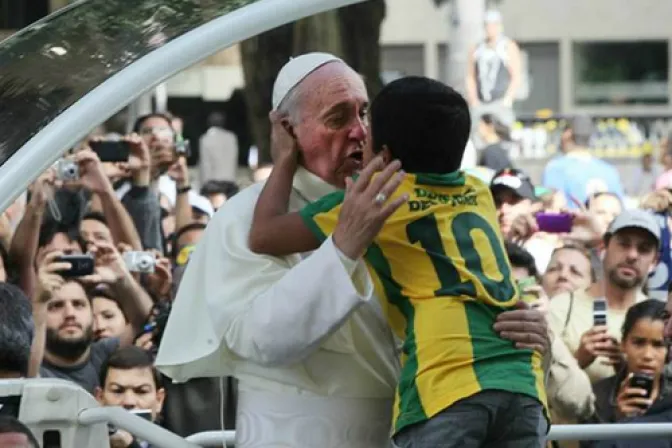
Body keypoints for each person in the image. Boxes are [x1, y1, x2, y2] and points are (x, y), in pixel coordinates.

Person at [155, 53, 550, 448]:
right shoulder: (244, 216)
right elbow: (261, 339)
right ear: (289, 132)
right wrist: (342, 246)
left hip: (419, 421)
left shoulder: (412, 198)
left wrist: (528, 335)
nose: (360, 132)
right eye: (338, 118)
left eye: (365, 114)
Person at [542, 115, 624, 207]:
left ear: (567, 134)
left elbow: (551, 207)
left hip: (574, 221)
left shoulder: (555, 168)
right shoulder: (610, 170)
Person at [467, 10, 522, 129]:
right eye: (487, 24)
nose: (489, 28)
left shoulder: (508, 46)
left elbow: (516, 75)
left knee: (503, 133)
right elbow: (470, 76)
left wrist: (508, 99)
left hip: (499, 102)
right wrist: (473, 100)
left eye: (493, 24)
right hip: (480, 103)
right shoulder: (477, 48)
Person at [199, 111, 239, 183]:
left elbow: (205, 163)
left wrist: (204, 182)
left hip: (213, 181)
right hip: (230, 180)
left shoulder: (205, 139)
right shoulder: (231, 137)